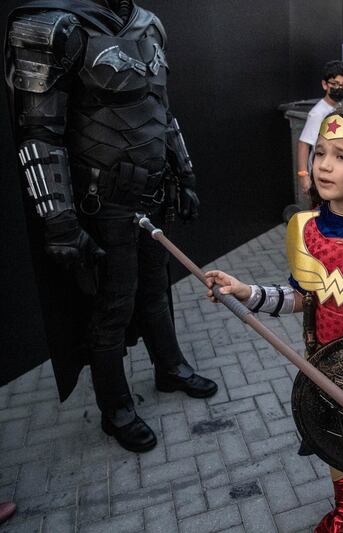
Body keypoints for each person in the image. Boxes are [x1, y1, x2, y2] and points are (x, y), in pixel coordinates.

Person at [205, 102, 343, 533]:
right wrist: (245, 292)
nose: (324, 166)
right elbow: (299, 297)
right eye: (320, 152)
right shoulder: (305, 230)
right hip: (320, 366)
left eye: (342, 156)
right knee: (333, 448)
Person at [5, 0, 217, 453]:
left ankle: (170, 367)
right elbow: (39, 131)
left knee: (157, 289)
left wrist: (185, 173)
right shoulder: (53, 26)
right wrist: (57, 219)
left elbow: (162, 109)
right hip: (102, 200)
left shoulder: (151, 25)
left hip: (153, 192)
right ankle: (116, 408)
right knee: (112, 306)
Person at [297, 60, 343, 194]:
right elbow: (303, 144)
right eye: (335, 84)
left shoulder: (341, 108)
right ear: (325, 84)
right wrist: (303, 175)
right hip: (320, 173)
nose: (340, 88)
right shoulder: (318, 113)